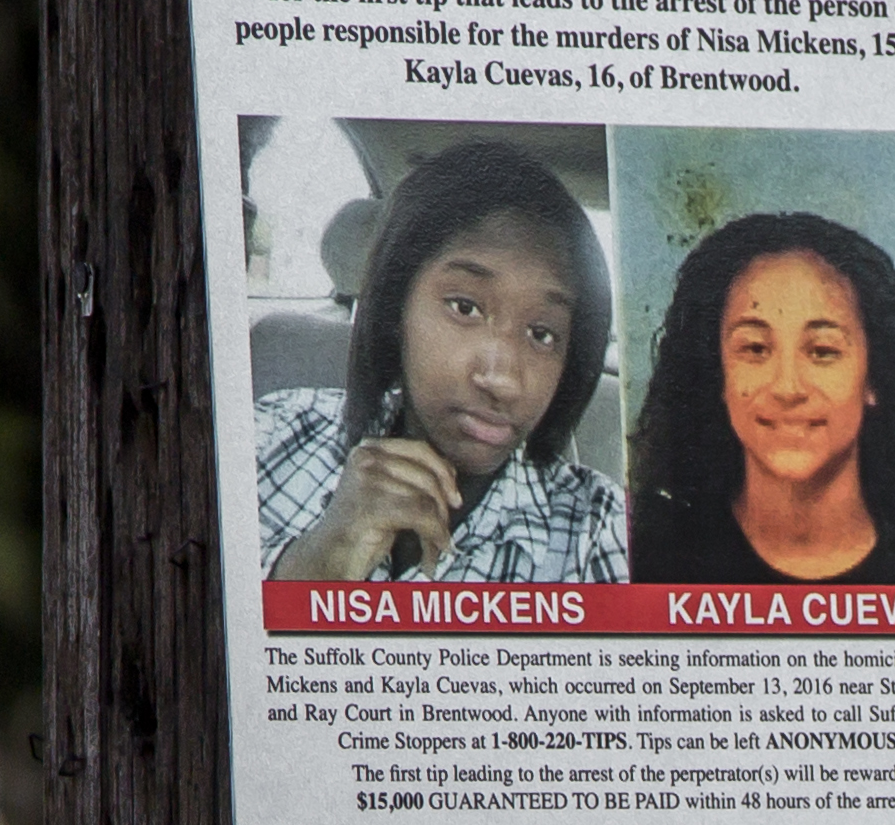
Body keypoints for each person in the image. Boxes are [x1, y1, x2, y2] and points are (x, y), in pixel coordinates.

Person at [258, 140, 626, 584]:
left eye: (541, 334)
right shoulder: (274, 433)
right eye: (465, 308)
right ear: (397, 309)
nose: (503, 380)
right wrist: (311, 568)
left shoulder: (599, 532)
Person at [622, 210, 895, 590]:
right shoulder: (648, 560)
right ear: (716, 373)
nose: (787, 388)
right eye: (755, 348)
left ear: (875, 376)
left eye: (822, 351)